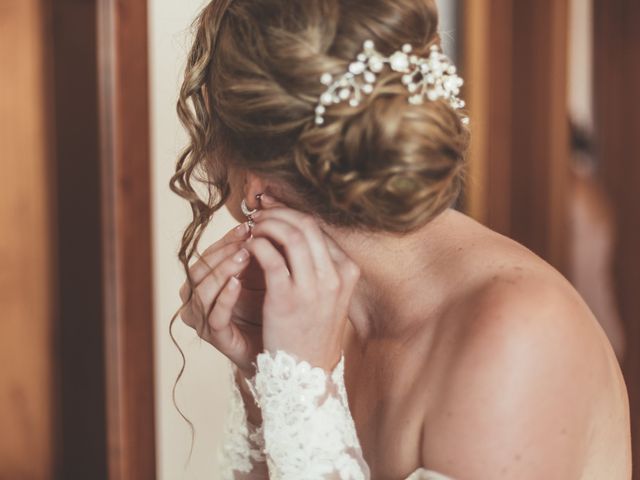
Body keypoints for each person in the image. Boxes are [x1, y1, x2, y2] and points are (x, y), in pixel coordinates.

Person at [172, 0, 631, 478]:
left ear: (256, 187)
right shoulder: (315, 324)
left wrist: (301, 399)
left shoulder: (518, 336)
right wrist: (266, 381)